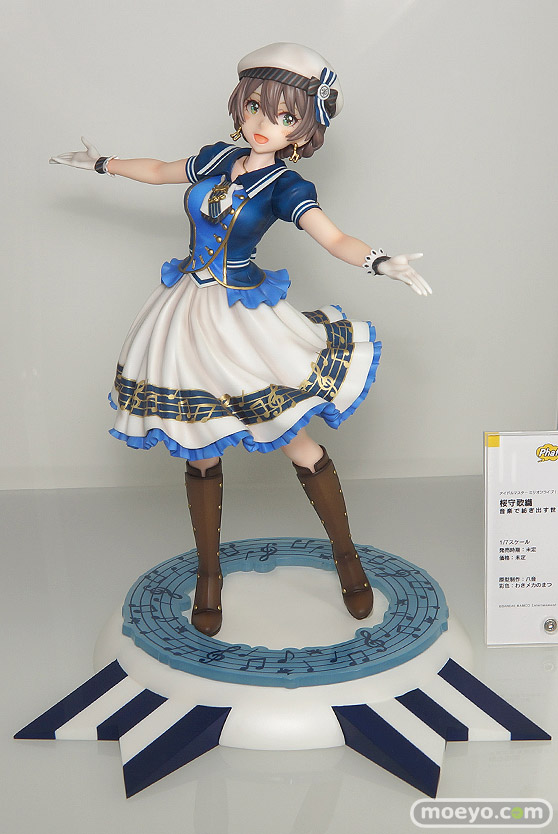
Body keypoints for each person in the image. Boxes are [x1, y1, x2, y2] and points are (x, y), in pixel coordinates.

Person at [50, 43, 431, 638]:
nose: (263, 124)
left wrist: (379, 261)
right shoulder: (216, 157)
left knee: (295, 439)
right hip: (185, 311)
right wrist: (102, 164)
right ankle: (210, 576)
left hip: (242, 318)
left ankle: (347, 559)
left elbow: (333, 238)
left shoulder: (286, 185)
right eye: (255, 107)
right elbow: (159, 170)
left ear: (304, 127)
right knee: (199, 443)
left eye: (284, 116)